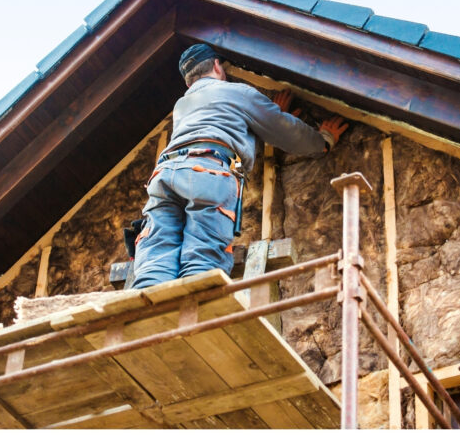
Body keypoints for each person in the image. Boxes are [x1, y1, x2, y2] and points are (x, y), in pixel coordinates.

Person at [131, 43, 349, 288]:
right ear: (216, 65)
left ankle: (146, 313)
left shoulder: (182, 105)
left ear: (188, 82)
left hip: (164, 175)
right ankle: (196, 317)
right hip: (208, 172)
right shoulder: (238, 92)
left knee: (157, 253)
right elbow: (282, 129)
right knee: (202, 256)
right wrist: (323, 141)